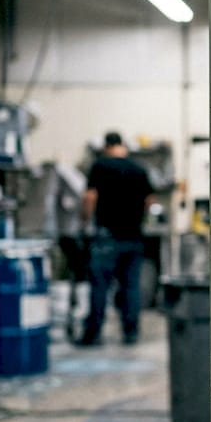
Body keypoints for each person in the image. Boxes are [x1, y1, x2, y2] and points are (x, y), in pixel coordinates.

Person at [78, 132, 155, 346]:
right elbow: (150, 201)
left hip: (107, 236)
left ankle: (93, 334)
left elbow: (89, 197)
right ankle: (131, 333)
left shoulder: (100, 166)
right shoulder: (139, 168)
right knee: (131, 287)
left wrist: (85, 221)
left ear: (106, 146)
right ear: (123, 146)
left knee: (100, 286)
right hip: (133, 236)